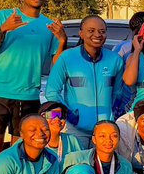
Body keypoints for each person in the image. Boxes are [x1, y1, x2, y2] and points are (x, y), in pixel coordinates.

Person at [0, 0, 65, 174]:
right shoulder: (3, 17)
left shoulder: (49, 26)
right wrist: (3, 30)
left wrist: (61, 41)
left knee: (21, 153)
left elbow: (57, 65)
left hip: (27, 97)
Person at [45, 15, 124, 145]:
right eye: (91, 31)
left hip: (105, 130)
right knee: (76, 164)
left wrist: (113, 115)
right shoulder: (67, 57)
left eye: (102, 31)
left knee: (101, 165)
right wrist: (67, 115)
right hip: (74, 129)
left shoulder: (115, 60)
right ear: (81, 33)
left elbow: (119, 93)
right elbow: (51, 92)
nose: (97, 35)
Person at [64, 119, 134, 174]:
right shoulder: (75, 159)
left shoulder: (125, 165)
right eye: (102, 136)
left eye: (114, 136)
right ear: (94, 139)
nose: (108, 140)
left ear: (119, 139)